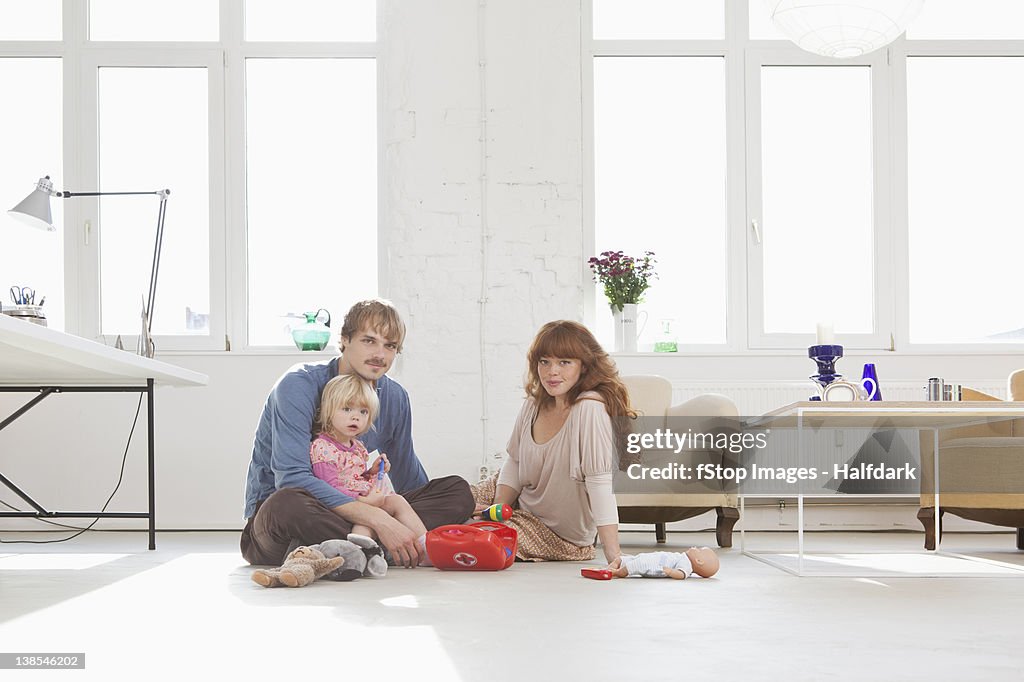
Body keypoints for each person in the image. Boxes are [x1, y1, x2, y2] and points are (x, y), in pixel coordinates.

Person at [241, 299, 474, 568]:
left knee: (458, 491)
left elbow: (409, 477)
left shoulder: (395, 397)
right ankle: (385, 546)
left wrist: (453, 509)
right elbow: (292, 478)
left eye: (390, 346)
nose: (380, 354)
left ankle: (352, 551)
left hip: (352, 510)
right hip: (290, 518)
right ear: (344, 340)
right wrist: (380, 519)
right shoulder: (298, 385)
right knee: (286, 503)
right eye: (369, 341)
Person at [472, 320, 634, 563]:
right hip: (513, 496)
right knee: (445, 500)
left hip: (555, 534)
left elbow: (600, 482)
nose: (551, 372)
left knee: (474, 536)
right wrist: (497, 510)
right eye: (544, 361)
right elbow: (515, 462)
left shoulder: (589, 407)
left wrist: (615, 557)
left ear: (585, 366)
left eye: (564, 362)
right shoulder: (534, 404)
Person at [309, 373, 430, 559]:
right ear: (328, 410)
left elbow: (353, 476)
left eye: (363, 412)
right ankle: (358, 556)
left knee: (397, 500)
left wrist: (371, 471)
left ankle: (426, 546)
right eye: (347, 409)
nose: (355, 417)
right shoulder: (324, 448)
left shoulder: (357, 446)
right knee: (367, 520)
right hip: (343, 506)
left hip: (367, 500)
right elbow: (330, 488)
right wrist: (363, 501)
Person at [605, 548, 720, 579]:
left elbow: (681, 574)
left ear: (699, 561)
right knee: (625, 559)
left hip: (654, 565)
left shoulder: (687, 565)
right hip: (651, 558)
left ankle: (618, 573)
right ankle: (611, 567)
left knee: (633, 565)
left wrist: (670, 572)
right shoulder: (684, 557)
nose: (695, 547)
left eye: (699, 550)